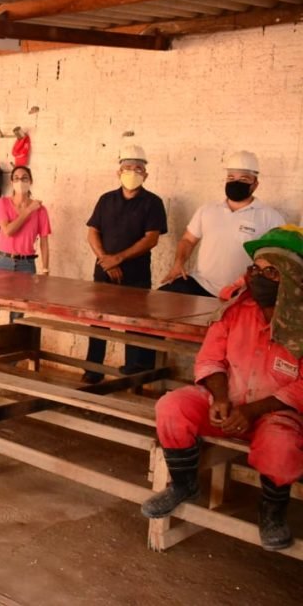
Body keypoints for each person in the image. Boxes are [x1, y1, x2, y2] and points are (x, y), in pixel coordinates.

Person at [142, 225, 303, 551]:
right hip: (227, 404)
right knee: (172, 406)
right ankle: (185, 485)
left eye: (270, 271)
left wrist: (252, 410)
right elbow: (211, 358)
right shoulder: (235, 310)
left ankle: (272, 511)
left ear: (292, 277)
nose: (258, 277)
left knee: (282, 445)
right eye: (255, 269)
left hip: (274, 414)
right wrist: (219, 398)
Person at [84, 147, 167, 381]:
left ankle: (132, 373)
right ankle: (92, 372)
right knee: (98, 322)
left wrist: (118, 258)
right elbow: (92, 233)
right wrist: (106, 261)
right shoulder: (105, 199)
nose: (133, 172)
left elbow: (151, 238)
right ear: (118, 172)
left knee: (134, 324)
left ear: (146, 175)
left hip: (136, 274)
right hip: (104, 273)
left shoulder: (153, 203)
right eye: (128, 168)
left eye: (138, 168)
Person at [161, 151, 285, 297]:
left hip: (242, 293)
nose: (235, 182)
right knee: (158, 302)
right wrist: (178, 263)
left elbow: (278, 257)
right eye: (231, 177)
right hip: (201, 284)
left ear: (255, 184)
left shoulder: (270, 217)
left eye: (244, 179)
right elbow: (188, 240)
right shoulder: (207, 210)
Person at [0, 165, 51, 324]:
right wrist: (28, 211)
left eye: (25, 178)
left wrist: (46, 268)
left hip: (27, 264)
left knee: (18, 313)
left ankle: (12, 348)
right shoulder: (3, 203)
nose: (21, 181)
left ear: (31, 181)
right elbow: (8, 231)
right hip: (3, 262)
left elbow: (44, 242)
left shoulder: (41, 210)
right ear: (12, 182)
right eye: (16, 178)